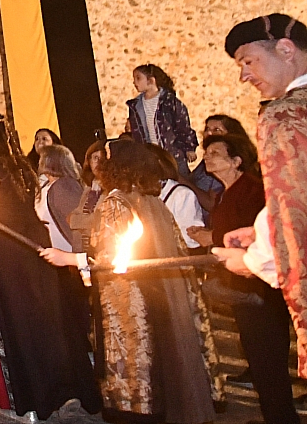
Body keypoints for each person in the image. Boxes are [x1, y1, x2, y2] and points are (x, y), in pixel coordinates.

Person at [41, 139, 223, 423]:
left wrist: (68, 258)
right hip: (158, 291)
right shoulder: (149, 199)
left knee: (138, 361)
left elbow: (110, 255)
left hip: (129, 295)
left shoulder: (116, 202)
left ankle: (137, 407)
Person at [0, 110, 100, 422]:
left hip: (8, 249)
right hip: (33, 241)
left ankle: (33, 402)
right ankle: (66, 389)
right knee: (48, 317)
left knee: (18, 321)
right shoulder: (23, 165)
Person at [214, 14, 307, 380]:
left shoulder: (284, 115)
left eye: (248, 61)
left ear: (285, 49)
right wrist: (262, 230)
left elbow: (293, 206)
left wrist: (255, 260)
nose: (244, 76)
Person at [201, 133, 296, 423]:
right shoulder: (227, 192)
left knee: (268, 361)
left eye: (215, 153)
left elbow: (271, 238)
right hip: (245, 286)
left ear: (236, 161)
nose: (207, 158)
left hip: (260, 290)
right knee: (259, 359)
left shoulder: (252, 190)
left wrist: (219, 240)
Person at [127, 64, 199, 181]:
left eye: (138, 78)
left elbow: (182, 125)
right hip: (150, 156)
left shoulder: (169, 102)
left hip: (172, 153)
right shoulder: (136, 106)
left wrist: (188, 147)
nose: (134, 82)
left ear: (151, 80)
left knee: (181, 180)